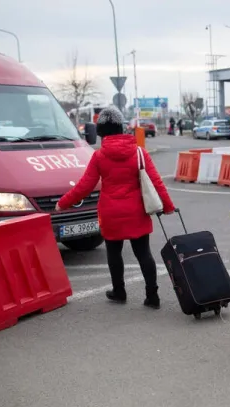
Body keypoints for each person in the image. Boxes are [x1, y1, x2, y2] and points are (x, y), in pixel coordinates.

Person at [56, 106, 175, 308]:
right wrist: (168, 206)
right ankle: (152, 296)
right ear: (121, 127)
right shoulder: (139, 153)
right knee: (143, 253)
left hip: (111, 213)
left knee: (114, 252)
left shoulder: (99, 156)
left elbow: (84, 186)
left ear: (101, 132)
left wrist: (63, 203)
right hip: (137, 211)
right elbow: (156, 182)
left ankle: (119, 291)